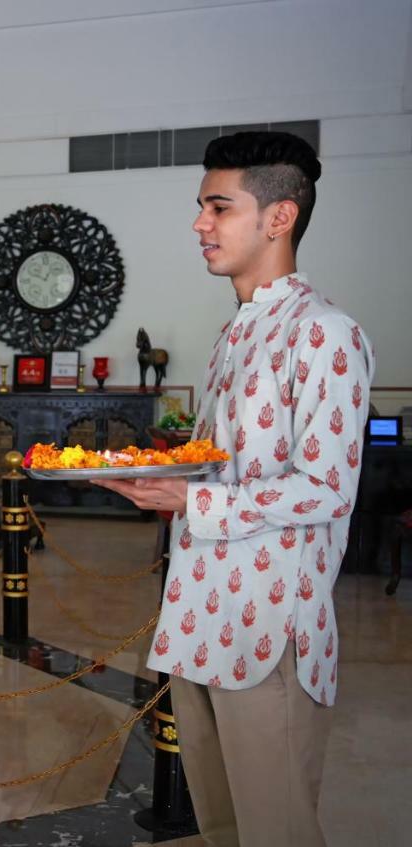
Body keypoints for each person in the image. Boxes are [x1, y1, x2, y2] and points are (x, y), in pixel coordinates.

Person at [96, 132, 374, 847]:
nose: (200, 224)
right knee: (221, 829)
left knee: (275, 831)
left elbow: (327, 489)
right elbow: (227, 464)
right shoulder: (237, 333)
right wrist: (154, 474)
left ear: (279, 217)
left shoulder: (324, 333)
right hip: (197, 617)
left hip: (267, 628)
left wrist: (189, 500)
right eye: (201, 207)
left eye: (219, 207)